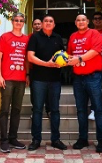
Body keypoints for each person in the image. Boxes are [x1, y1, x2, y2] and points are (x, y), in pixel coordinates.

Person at [26, 14, 68, 150]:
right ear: (42, 24)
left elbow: (63, 57)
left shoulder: (58, 38)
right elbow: (30, 57)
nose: (48, 23)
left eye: (51, 21)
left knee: (55, 110)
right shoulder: (35, 37)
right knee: (37, 110)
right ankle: (36, 140)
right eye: (46, 21)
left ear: (54, 24)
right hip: (38, 80)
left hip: (55, 81)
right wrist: (46, 64)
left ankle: (56, 139)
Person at [66, 13, 102, 153]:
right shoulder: (72, 36)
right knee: (81, 110)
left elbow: (95, 51)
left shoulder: (94, 33)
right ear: (75, 22)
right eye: (78, 20)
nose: (81, 22)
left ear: (88, 21)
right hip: (78, 78)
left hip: (93, 77)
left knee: (98, 109)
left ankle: (101, 140)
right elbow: (69, 54)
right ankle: (83, 138)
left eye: (83, 19)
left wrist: (78, 59)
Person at [0, 12, 30, 152]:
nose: (18, 22)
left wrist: (27, 74)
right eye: (16, 20)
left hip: (21, 79)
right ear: (12, 21)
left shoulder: (27, 39)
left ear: (24, 23)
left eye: (21, 20)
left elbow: (26, 59)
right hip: (7, 79)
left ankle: (13, 138)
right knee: (5, 110)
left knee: (16, 110)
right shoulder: (5, 37)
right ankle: (3, 140)